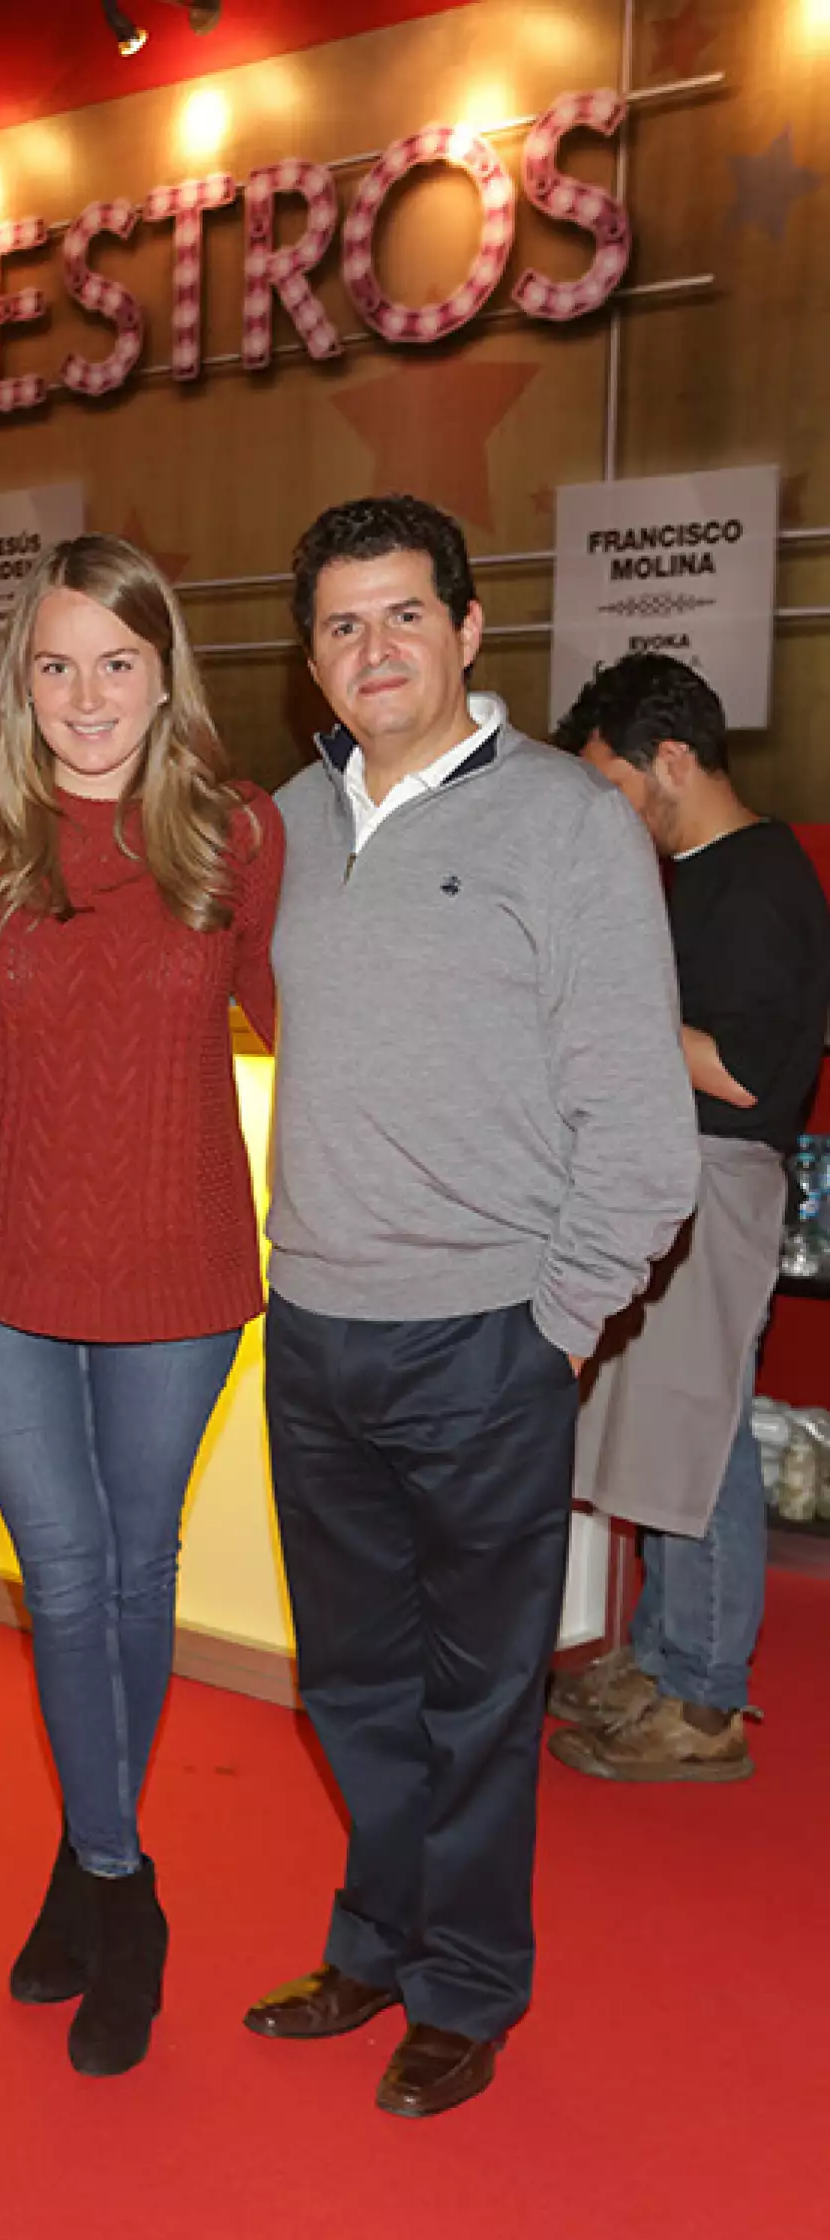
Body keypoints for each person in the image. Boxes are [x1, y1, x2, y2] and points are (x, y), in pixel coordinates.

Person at [247, 495, 699, 2118]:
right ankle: (375, 1940)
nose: (376, 650)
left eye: (404, 616)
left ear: (468, 628)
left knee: (481, 1689)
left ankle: (468, 1985)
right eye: (343, 625)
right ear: (312, 657)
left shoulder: (569, 828)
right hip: (312, 1327)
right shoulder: (284, 823)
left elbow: (641, 1132)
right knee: (351, 1681)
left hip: (488, 1338)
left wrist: (555, 1322)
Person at [0, 534, 283, 2078]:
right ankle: (125, 1888)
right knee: (63, 1575)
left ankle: (92, 1866)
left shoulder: (239, 830)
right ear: (20, 677)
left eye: (116, 663)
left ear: (164, 670)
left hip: (182, 1263)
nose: (85, 696)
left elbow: (327, 1025)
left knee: (139, 1566)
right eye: (55, 663)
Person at [549, 655, 830, 1781]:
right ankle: (668, 1654)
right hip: (682, 1174)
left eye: (610, 782)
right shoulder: (710, 872)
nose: (606, 812)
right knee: (668, 1434)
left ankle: (705, 1699)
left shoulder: (757, 883)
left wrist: (602, 1013)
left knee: (700, 1438)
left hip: (720, 1176)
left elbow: (752, 1072)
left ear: (670, 760)